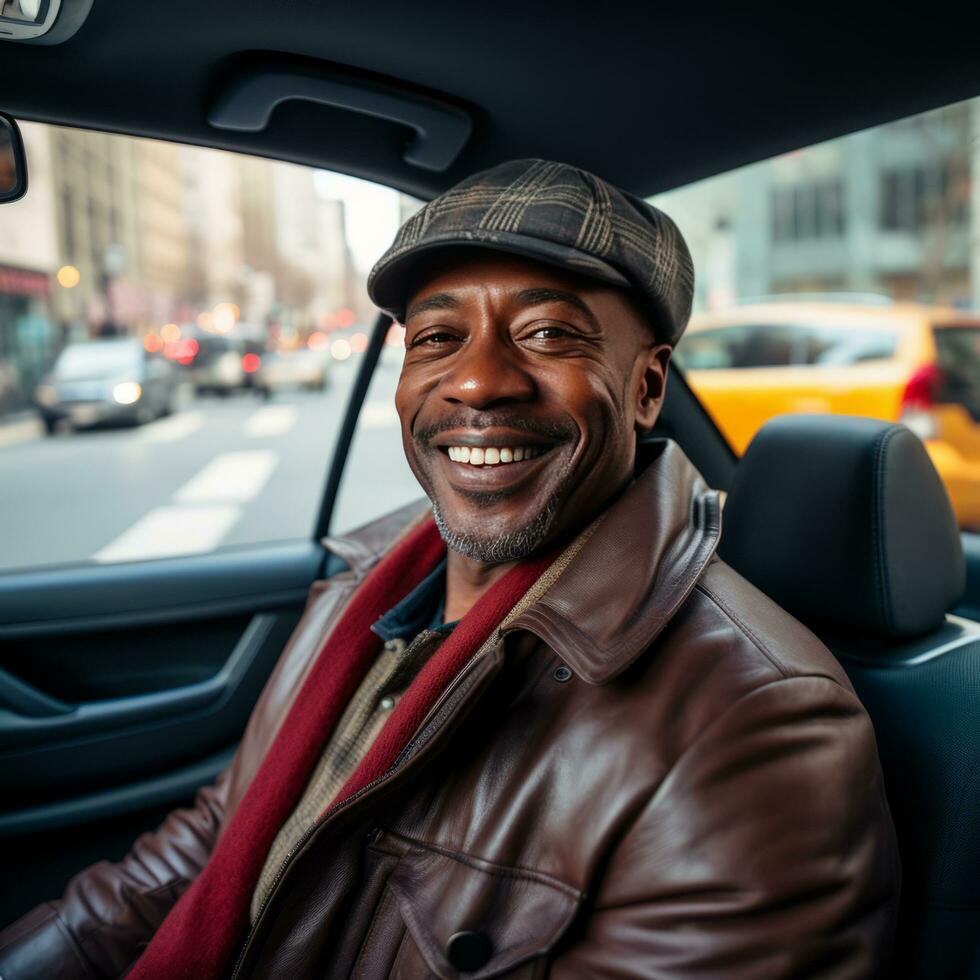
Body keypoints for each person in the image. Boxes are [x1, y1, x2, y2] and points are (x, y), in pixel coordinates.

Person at [0, 159, 899, 978]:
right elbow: (218, 841)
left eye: (548, 334)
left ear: (647, 387)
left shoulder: (754, 727)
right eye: (435, 338)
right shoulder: (362, 588)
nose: (476, 382)